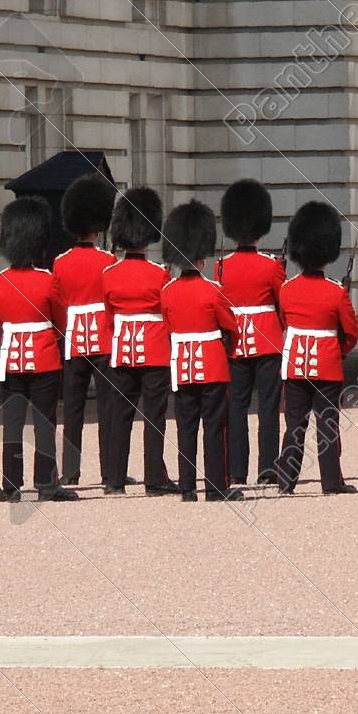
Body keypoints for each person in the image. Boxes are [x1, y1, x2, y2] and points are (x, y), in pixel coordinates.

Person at [0, 196, 76, 503]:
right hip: (44, 358)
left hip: (11, 358)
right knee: (44, 422)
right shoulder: (48, 281)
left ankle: (11, 485)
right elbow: (60, 319)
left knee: (12, 421)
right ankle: (46, 484)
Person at [160, 200, 242, 502]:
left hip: (182, 367)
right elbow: (230, 325)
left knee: (186, 428)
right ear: (202, 258)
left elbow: (168, 328)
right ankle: (216, 488)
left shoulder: (167, 292)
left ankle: (187, 488)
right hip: (211, 366)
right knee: (214, 428)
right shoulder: (213, 290)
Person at [276, 200, 358, 495]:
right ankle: (330, 482)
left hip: (296, 364)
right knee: (327, 426)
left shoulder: (287, 290)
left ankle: (286, 482)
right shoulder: (336, 293)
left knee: (294, 425)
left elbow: (285, 321)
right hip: (326, 364)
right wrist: (339, 352)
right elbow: (351, 332)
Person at [101, 187, 177, 496]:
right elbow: (168, 312)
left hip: (122, 351)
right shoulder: (159, 275)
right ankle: (153, 479)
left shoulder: (109, 274)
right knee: (153, 417)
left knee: (120, 416)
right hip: (155, 351)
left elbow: (108, 317)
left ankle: (115, 480)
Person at [215, 179, 285, 486]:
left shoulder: (221, 267)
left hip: (234, 343)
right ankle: (268, 468)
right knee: (269, 408)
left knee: (236, 408)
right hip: (268, 341)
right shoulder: (271, 266)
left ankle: (237, 469)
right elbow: (283, 305)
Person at [53, 172, 118, 487]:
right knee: (107, 409)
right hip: (104, 337)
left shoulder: (60, 262)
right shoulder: (108, 260)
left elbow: (59, 301)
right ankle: (109, 472)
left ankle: (70, 471)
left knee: (73, 410)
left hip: (73, 338)